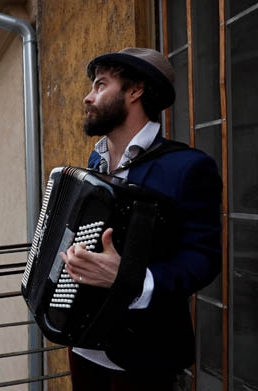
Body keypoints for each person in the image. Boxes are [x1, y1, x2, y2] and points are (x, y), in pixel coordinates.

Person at [59, 47, 222, 390]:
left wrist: (132, 279)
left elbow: (204, 259)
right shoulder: (96, 160)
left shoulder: (188, 167)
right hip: (84, 344)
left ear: (135, 91)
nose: (89, 98)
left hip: (143, 354)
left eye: (100, 85)